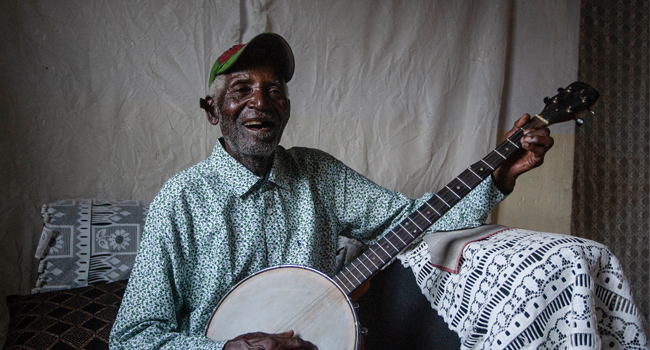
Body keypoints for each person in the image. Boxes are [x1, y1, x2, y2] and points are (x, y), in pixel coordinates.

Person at [109, 32, 553, 350]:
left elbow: (413, 221)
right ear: (212, 111)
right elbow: (132, 337)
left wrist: (498, 177)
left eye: (274, 91)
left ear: (286, 108)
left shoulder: (318, 173)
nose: (260, 102)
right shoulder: (180, 200)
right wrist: (226, 349)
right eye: (241, 89)